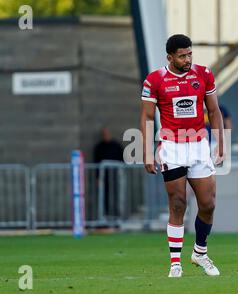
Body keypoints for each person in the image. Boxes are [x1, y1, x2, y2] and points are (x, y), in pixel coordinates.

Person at [140, 34, 225, 278]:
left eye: (190, 54)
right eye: (182, 56)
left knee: (208, 204)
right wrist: (147, 151)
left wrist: (221, 143)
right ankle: (175, 263)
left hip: (199, 145)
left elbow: (214, 110)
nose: (187, 59)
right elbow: (146, 117)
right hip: (172, 147)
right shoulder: (155, 80)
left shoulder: (204, 74)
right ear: (170, 57)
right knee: (178, 204)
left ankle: (199, 253)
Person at [93, 127, 124, 218]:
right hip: (104, 177)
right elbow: (96, 162)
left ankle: (117, 214)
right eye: (104, 134)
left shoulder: (116, 145)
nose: (106, 135)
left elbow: (122, 159)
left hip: (115, 176)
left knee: (116, 195)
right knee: (104, 195)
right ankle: (105, 215)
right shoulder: (99, 147)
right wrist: (97, 177)